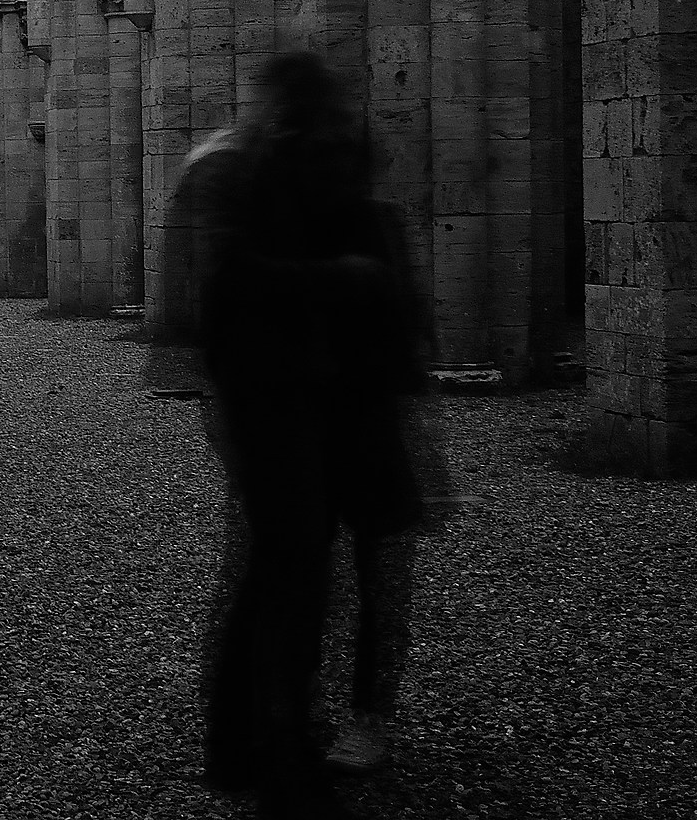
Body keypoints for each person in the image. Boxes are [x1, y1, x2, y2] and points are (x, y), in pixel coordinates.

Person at [198, 50, 427, 820]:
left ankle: (239, 739)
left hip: (292, 403)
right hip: (289, 403)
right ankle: (280, 758)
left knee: (278, 574)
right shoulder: (274, 173)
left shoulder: (263, 166)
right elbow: (243, 285)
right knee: (290, 582)